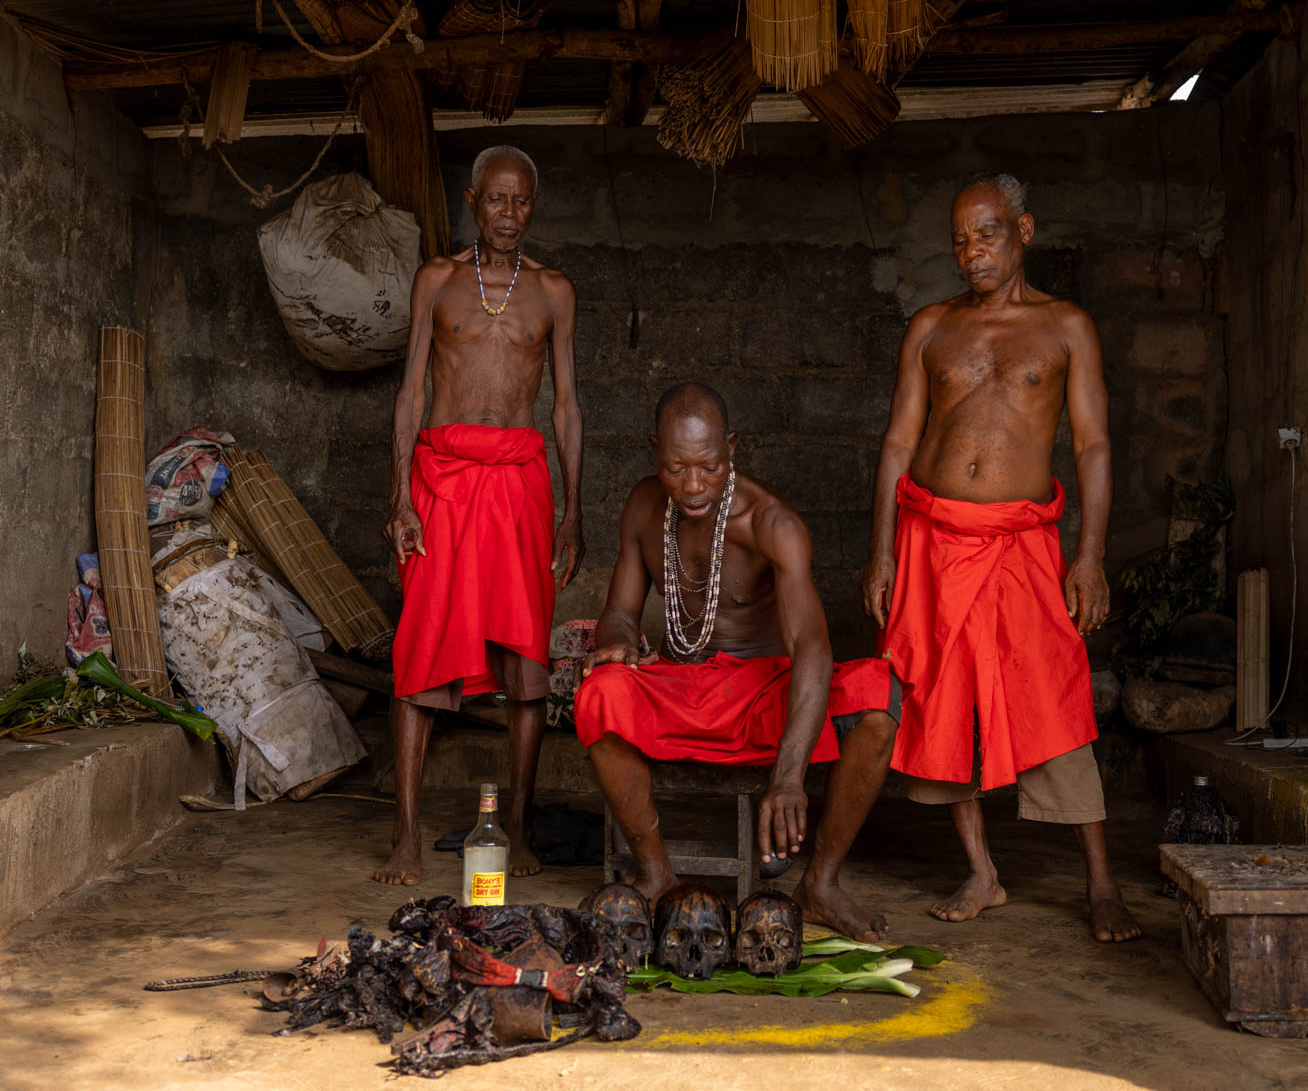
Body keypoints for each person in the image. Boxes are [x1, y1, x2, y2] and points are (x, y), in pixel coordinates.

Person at [861, 172, 1140, 942]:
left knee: (1053, 694)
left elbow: (1091, 446)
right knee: (942, 704)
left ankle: (1101, 881)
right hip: (931, 543)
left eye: (985, 234)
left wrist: (1088, 556)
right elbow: (896, 443)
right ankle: (982, 872)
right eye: (959, 239)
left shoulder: (1064, 327)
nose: (970, 252)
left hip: (1021, 545)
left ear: (1023, 230)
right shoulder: (930, 328)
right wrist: (881, 552)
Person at [576, 383, 897, 940]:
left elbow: (813, 649)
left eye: (710, 467)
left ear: (732, 448)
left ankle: (820, 883)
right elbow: (620, 614)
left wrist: (790, 777)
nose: (694, 487)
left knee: (878, 693)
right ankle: (654, 872)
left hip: (761, 697)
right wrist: (620, 641)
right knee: (599, 690)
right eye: (676, 469)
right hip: (681, 687)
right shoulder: (643, 508)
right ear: (655, 451)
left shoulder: (773, 523)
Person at [375, 145, 584, 886]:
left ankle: (518, 832)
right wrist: (399, 496)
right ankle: (405, 835)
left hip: (522, 486)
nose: (508, 215)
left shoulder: (554, 291)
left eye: (521, 202)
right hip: (443, 483)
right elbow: (407, 394)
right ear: (472, 201)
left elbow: (564, 405)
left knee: (527, 660)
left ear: (533, 206)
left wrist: (573, 511)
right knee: (422, 652)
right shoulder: (436, 279)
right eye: (496, 200)